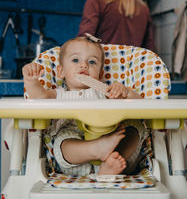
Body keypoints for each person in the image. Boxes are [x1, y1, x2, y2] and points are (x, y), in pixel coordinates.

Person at [22, 36, 148, 176]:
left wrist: (125, 92)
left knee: (136, 126)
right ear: (61, 71)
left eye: (92, 62)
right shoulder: (59, 94)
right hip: (75, 156)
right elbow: (40, 97)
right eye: (76, 60)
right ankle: (96, 149)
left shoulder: (105, 92)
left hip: (111, 141)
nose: (84, 65)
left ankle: (112, 163)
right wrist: (31, 80)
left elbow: (139, 104)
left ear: (100, 75)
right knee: (63, 140)